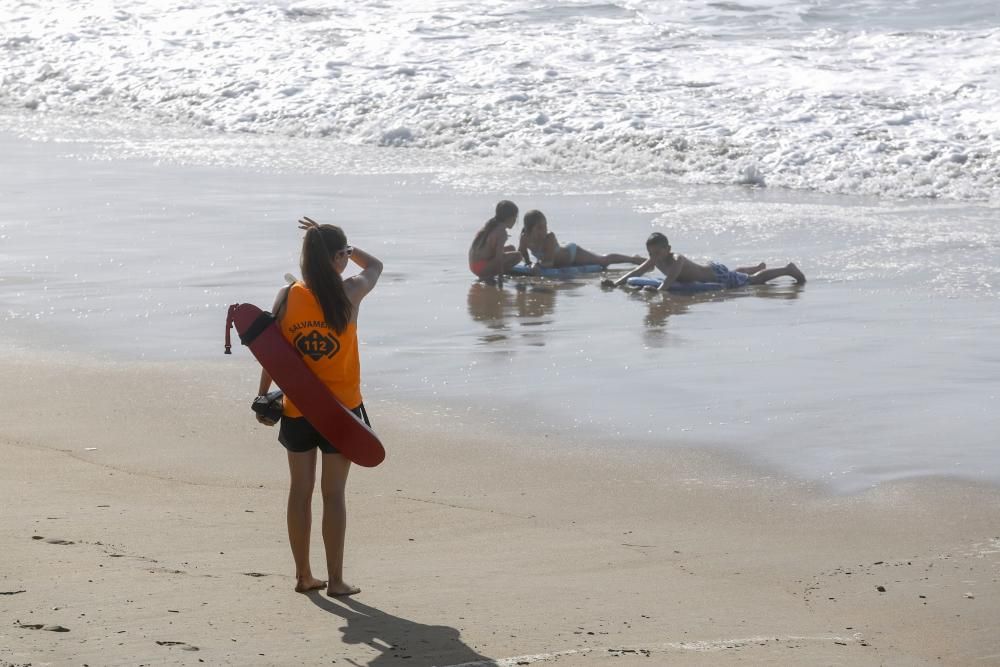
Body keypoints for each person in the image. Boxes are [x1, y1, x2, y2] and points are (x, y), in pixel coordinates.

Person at [255, 216, 382, 596]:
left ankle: (303, 576)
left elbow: (270, 353)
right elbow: (376, 266)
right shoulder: (351, 291)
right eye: (342, 254)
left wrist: (264, 398)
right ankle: (337, 580)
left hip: (298, 409)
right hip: (341, 413)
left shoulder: (288, 296)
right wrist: (350, 249)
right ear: (338, 257)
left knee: (300, 491)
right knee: (334, 495)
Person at [604, 232, 805, 291]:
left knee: (754, 281)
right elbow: (636, 273)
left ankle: (788, 269)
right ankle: (756, 267)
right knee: (740, 273)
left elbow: (670, 279)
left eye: (658, 252)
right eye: (651, 253)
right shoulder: (654, 260)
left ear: (668, 249)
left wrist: (659, 291)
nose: (654, 257)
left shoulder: (677, 259)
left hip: (717, 275)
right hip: (712, 270)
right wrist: (616, 283)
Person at [517, 210, 643, 271]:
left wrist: (536, 265)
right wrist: (528, 262)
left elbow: (549, 263)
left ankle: (633, 259)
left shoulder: (549, 237)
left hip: (572, 254)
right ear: (529, 229)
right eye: (539, 228)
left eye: (545, 226)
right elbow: (522, 251)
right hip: (561, 257)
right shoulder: (524, 237)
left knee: (603, 261)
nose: (544, 230)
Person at [468, 200, 522, 281]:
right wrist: (500, 278)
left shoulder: (491, 225)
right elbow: (498, 258)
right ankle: (489, 275)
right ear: (509, 218)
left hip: (474, 265)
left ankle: (491, 272)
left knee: (511, 248)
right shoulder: (501, 232)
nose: (515, 221)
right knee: (518, 256)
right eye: (515, 217)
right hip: (481, 268)